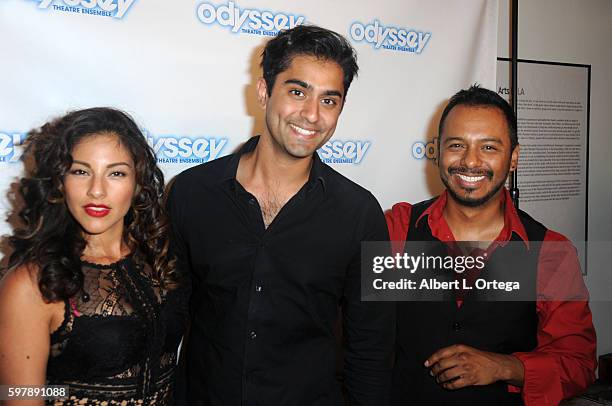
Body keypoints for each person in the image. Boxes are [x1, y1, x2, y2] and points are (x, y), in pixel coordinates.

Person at [168, 25, 394, 405]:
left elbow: (371, 348)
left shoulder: (361, 213)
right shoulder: (193, 192)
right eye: (297, 91)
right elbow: (167, 317)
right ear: (263, 92)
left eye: (329, 100)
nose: (311, 114)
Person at [386, 85, 597, 405]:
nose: (470, 162)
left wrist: (506, 367)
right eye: (457, 145)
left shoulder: (550, 252)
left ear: (513, 158)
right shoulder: (397, 228)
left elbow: (579, 364)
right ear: (437, 152)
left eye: (489, 147)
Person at [0, 107, 188, 405]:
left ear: (137, 182)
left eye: (116, 173)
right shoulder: (31, 283)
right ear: (59, 181)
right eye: (81, 171)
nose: (97, 191)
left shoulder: (161, 258)